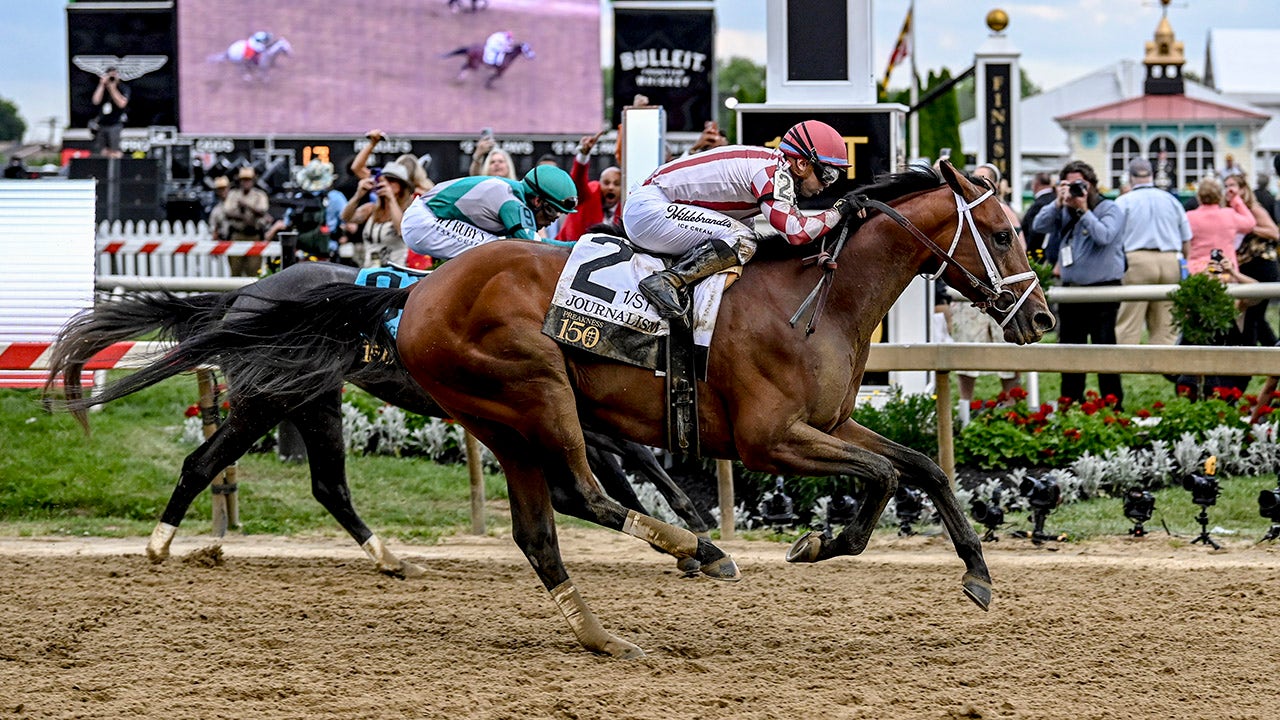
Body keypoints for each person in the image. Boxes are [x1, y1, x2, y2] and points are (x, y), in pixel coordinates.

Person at [621, 119, 856, 318]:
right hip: (649, 209)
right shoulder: (773, 173)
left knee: (745, 234)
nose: (827, 185)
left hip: (654, 206)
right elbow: (796, 233)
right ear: (802, 163)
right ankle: (667, 282)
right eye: (828, 174)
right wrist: (839, 211)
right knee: (743, 239)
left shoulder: (773, 167)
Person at [1034, 160, 1127, 408]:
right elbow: (1038, 225)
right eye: (1069, 184)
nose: (1076, 190)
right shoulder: (1063, 209)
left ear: (1092, 185)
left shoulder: (1110, 209)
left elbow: (1104, 236)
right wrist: (1057, 201)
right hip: (1072, 290)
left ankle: (1112, 405)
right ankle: (1070, 403)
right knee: (1070, 349)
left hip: (1104, 290)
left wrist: (1084, 211)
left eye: (1080, 185)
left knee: (1104, 349)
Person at [949, 163, 1024, 415]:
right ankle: (964, 407)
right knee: (966, 350)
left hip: (1002, 296)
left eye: (985, 179)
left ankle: (1012, 405)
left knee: (1009, 352)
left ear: (996, 185)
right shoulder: (963, 213)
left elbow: (1018, 251)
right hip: (969, 296)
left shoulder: (1006, 214)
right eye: (976, 178)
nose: (979, 182)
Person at [401, 165, 579, 262]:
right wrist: (579, 247)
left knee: (503, 246)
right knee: (503, 249)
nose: (553, 219)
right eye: (551, 211)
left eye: (559, 214)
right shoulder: (513, 203)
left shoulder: (515, 193)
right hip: (423, 223)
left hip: (425, 220)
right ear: (537, 201)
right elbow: (535, 245)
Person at [1114, 158, 1192, 346]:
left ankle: (1125, 361)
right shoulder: (1171, 200)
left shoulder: (1123, 201)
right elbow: (1186, 239)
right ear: (1152, 175)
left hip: (1136, 260)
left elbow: (1114, 237)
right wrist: (1183, 262)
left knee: (1129, 319)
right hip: (1170, 259)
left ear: (1130, 177)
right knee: (1167, 321)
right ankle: (1165, 364)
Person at [1225, 172, 1278, 347]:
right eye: (1226, 186)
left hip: (1262, 265)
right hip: (1245, 268)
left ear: (1243, 189)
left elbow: (1274, 233)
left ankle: (1269, 360)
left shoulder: (1254, 209)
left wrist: (1250, 227)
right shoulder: (1230, 211)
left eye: (1232, 185)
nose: (1229, 190)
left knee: (1255, 317)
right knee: (1251, 317)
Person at [339, 161, 414, 267]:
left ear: (401, 186)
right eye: (384, 180)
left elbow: (401, 231)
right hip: (370, 271)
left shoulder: (408, 211)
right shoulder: (371, 209)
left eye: (392, 180)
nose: (387, 183)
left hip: (396, 272)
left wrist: (391, 199)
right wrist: (358, 195)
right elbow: (346, 217)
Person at [556, 130, 622, 243]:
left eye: (616, 184)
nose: (611, 187)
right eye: (606, 183)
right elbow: (578, 181)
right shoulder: (589, 195)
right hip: (568, 251)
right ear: (600, 183)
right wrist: (583, 156)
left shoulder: (626, 207)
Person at [1186, 176, 1255, 275]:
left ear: (1199, 197)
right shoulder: (1229, 214)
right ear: (1220, 196)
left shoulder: (1189, 217)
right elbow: (1250, 223)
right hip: (1226, 267)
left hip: (1198, 268)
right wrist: (1236, 201)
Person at [222, 166, 271, 276]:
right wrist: (245, 217)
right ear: (239, 181)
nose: (246, 182)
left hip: (254, 235)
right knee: (235, 270)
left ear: (253, 181)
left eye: (248, 180)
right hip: (237, 234)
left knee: (254, 271)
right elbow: (227, 212)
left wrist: (246, 206)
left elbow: (262, 211)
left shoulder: (259, 195)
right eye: (243, 180)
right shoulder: (233, 194)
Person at [90, 67, 129, 158]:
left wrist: (112, 88)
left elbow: (122, 103)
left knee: (115, 151)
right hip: (102, 124)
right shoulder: (102, 88)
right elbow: (95, 101)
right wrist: (102, 85)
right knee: (102, 152)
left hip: (115, 124)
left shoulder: (123, 88)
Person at [1021, 172, 1055, 255]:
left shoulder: (1039, 204)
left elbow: (1034, 232)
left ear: (1036, 184)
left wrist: (1029, 253)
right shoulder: (1055, 200)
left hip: (1039, 253)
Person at [206, 175, 232, 243]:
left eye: (224, 188)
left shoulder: (237, 202)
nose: (222, 191)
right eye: (220, 189)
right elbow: (213, 227)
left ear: (228, 188)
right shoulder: (216, 210)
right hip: (225, 240)